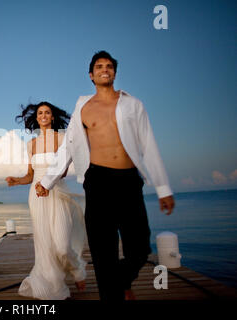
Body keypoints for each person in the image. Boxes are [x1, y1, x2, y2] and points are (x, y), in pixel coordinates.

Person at [35, 51, 175, 301]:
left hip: (129, 180)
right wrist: (47, 181)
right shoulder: (83, 108)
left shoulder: (133, 105)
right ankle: (112, 293)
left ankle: (122, 281)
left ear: (115, 73)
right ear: (91, 75)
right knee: (102, 252)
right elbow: (68, 145)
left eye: (109, 66)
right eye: (99, 66)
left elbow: (149, 144)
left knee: (140, 250)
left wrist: (163, 188)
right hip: (97, 181)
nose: (105, 69)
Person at [5, 101, 87, 300]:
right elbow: (30, 175)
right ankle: (53, 285)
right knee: (45, 245)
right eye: (40, 113)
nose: (43, 115)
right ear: (36, 118)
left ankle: (77, 270)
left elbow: (64, 170)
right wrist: (17, 180)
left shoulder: (61, 138)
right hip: (36, 197)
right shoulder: (31, 144)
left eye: (47, 112)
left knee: (61, 243)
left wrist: (47, 183)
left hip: (57, 194)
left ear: (52, 117)